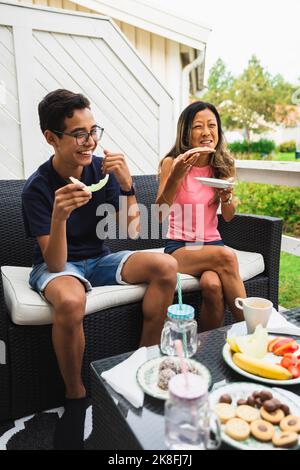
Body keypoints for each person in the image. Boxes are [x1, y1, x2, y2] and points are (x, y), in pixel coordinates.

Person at [22, 89, 178, 449]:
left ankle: (143, 361)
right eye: (79, 134)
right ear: (51, 138)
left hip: (100, 258)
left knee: (166, 266)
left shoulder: (100, 171)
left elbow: (131, 230)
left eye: (93, 131)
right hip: (56, 264)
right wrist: (60, 216)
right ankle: (76, 395)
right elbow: (56, 262)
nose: (89, 141)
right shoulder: (38, 189)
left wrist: (126, 186)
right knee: (71, 301)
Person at [156, 101, 246, 331]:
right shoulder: (172, 163)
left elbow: (228, 216)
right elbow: (158, 215)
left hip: (211, 243)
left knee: (212, 285)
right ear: (186, 132)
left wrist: (226, 197)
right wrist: (176, 176)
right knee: (227, 257)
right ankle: (252, 331)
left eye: (212, 125)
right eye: (198, 126)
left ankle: (206, 347)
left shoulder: (224, 165)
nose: (206, 132)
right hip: (180, 247)